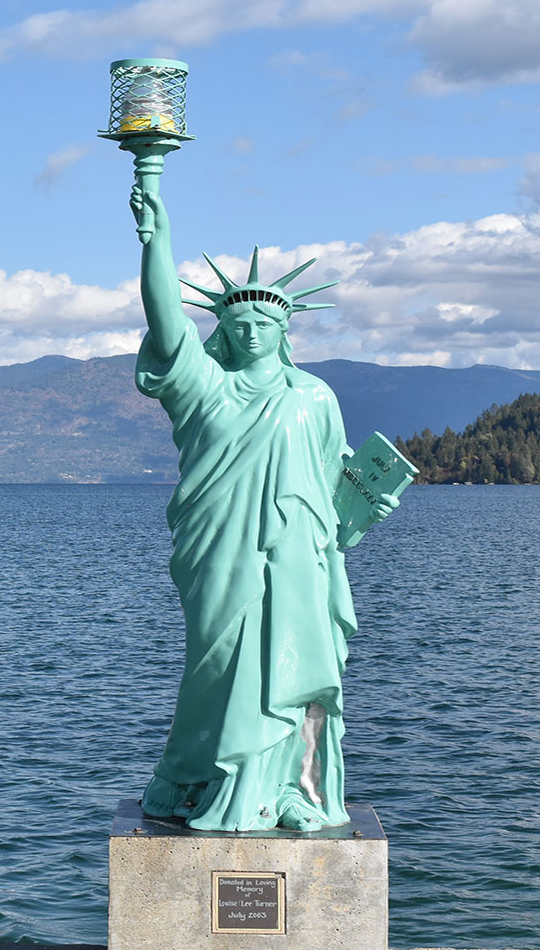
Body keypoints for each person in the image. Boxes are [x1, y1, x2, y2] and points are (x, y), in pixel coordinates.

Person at [126, 166, 398, 832]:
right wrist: (155, 240)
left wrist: (366, 509)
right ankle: (204, 778)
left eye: (263, 322)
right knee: (219, 669)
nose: (250, 332)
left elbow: (336, 483)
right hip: (221, 553)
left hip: (301, 557)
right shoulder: (202, 389)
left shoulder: (315, 397)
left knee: (303, 667)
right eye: (238, 321)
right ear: (221, 328)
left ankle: (296, 789)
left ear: (285, 331)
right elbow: (166, 329)